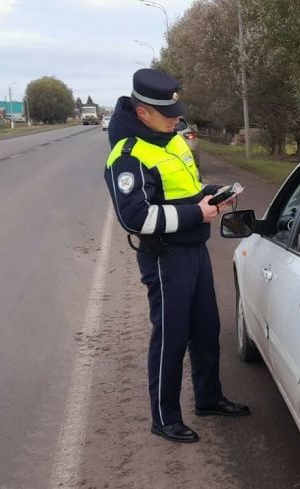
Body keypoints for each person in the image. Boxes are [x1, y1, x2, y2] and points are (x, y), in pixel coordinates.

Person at [103, 69, 250, 444]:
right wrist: (196, 213)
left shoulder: (173, 140)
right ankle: (164, 417)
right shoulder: (128, 155)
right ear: (142, 113)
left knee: (205, 329)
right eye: (167, 113)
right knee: (171, 336)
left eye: (176, 111)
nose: (176, 118)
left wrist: (214, 193)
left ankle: (208, 398)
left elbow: (188, 188)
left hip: (194, 250)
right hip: (165, 257)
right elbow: (135, 217)